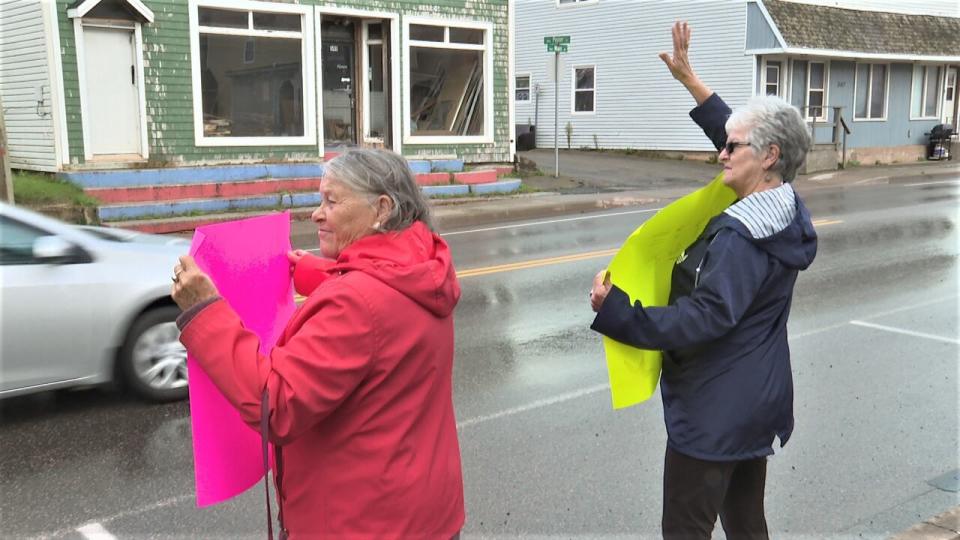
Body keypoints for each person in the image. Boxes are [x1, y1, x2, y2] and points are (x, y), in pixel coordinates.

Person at [589, 22, 818, 540]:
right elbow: (739, 135)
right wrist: (693, 82)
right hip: (755, 403)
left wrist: (617, 310)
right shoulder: (783, 208)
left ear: (768, 158)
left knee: (686, 530)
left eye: (731, 148)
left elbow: (706, 316)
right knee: (745, 524)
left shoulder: (742, 235)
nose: (721, 154)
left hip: (715, 415)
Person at [171, 149, 465, 540]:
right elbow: (376, 289)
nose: (316, 213)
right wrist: (311, 272)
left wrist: (205, 312)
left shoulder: (354, 304)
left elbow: (273, 404)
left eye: (332, 200)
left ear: (381, 208)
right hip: (426, 513)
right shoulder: (421, 268)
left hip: (364, 525)